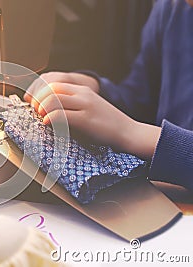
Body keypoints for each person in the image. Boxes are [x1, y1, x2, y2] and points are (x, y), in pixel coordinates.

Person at [24, 0, 193, 191]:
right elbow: (141, 97)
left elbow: (133, 128)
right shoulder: (173, 8)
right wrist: (97, 89)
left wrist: (131, 132)